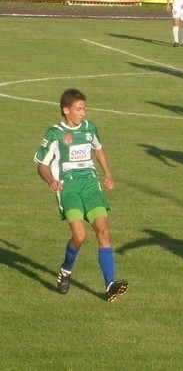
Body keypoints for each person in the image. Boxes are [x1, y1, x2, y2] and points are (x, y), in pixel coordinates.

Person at [33, 88, 128, 302]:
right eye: (79, 109)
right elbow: (41, 163)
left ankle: (110, 284)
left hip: (91, 186)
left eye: (84, 108)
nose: (83, 113)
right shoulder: (55, 133)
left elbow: (98, 149)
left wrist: (108, 174)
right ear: (66, 110)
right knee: (80, 237)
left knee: (103, 231)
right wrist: (50, 180)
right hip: (69, 188)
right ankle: (66, 270)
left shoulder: (89, 128)